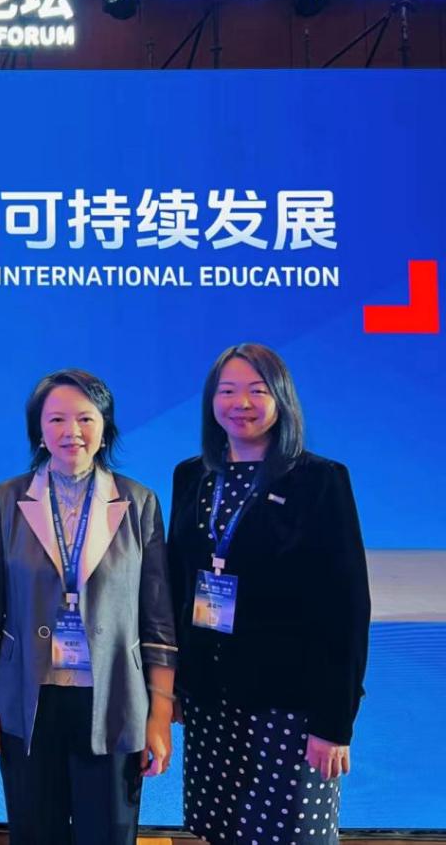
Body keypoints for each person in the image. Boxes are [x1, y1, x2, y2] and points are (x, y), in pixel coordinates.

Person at [168, 344, 370, 845]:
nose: (241, 403)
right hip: (211, 704)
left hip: (290, 710)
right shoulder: (191, 477)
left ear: (281, 398)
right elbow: (176, 584)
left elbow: (346, 610)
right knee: (220, 831)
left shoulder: (319, 481)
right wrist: (172, 688)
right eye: (228, 391)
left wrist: (333, 723)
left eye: (257, 391)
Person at [0, 370, 178, 845]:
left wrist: (159, 715)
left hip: (114, 699)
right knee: (34, 834)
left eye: (86, 418)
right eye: (57, 419)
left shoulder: (138, 502)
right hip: (28, 700)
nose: (72, 431)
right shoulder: (6, 500)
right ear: (39, 431)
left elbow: (158, 622)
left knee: (108, 835)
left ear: (105, 428)